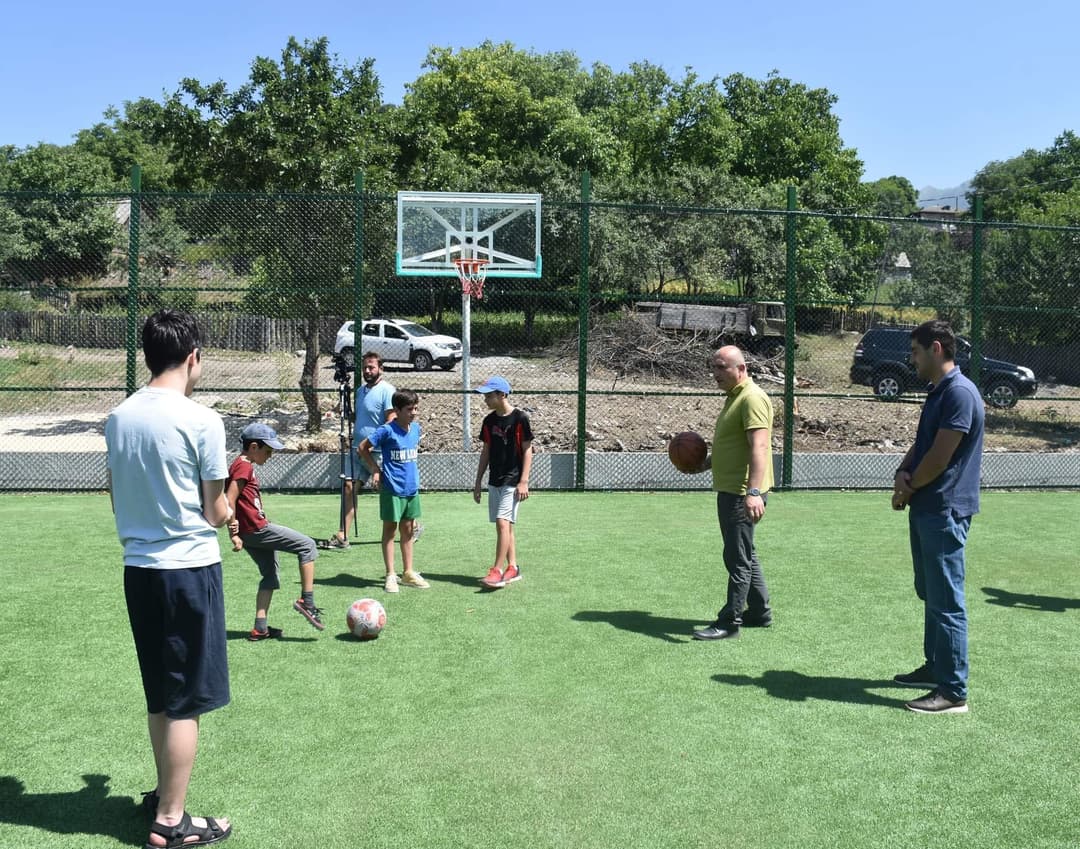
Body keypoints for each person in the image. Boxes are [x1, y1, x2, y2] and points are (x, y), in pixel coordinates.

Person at [104, 309, 233, 849]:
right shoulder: (201, 420)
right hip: (187, 571)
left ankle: (164, 798)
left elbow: (113, 492)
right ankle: (171, 821)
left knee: (161, 695)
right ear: (193, 357)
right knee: (186, 704)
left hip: (140, 572)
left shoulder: (118, 416)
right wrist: (232, 506)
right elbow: (214, 511)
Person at [892, 320, 985, 714]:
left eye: (914, 351)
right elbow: (922, 444)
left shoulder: (960, 393)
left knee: (947, 600)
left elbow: (941, 456)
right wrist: (901, 472)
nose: (911, 359)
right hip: (927, 507)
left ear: (935, 348)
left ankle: (953, 692)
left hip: (944, 510)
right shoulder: (939, 392)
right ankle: (936, 667)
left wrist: (909, 486)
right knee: (930, 592)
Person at [693, 345, 775, 641]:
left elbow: (759, 447)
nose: (715, 374)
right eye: (713, 368)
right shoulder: (735, 398)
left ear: (741, 369)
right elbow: (732, 446)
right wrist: (704, 465)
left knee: (737, 557)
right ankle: (760, 611)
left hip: (742, 493)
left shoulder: (752, 398)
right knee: (745, 553)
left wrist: (753, 492)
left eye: (721, 368)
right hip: (731, 489)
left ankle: (729, 622)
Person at [226, 422, 324, 640]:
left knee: (270, 576)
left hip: (251, 532)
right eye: (267, 450)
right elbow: (229, 499)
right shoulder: (244, 466)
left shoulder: (239, 464)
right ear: (253, 447)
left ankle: (260, 628)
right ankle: (306, 602)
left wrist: (236, 532)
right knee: (307, 546)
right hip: (257, 530)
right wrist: (232, 532)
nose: (270, 455)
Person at [358, 389, 430, 593]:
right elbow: (363, 448)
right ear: (396, 410)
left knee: (408, 531)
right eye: (409, 409)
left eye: (416, 408)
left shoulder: (415, 428)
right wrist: (375, 470)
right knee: (390, 531)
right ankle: (391, 574)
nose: (414, 413)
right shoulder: (386, 430)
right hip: (392, 488)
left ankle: (408, 573)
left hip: (411, 488)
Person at [327, 351, 396, 549]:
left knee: (390, 492)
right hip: (357, 450)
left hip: (378, 452)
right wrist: (341, 413)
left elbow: (390, 421)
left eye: (371, 367)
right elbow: (358, 416)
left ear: (380, 368)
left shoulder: (387, 391)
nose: (367, 371)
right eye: (365, 367)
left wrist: (374, 442)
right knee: (348, 487)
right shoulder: (360, 391)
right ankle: (343, 535)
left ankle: (413, 525)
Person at [472, 376, 534, 588]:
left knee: (502, 523)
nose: (486, 399)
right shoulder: (489, 421)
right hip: (494, 479)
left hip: (513, 480)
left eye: (490, 395)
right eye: (485, 396)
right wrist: (478, 480)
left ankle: (497, 570)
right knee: (506, 526)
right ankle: (513, 567)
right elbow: (486, 451)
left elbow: (527, 450)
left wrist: (523, 481)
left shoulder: (520, 419)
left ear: (503, 395)